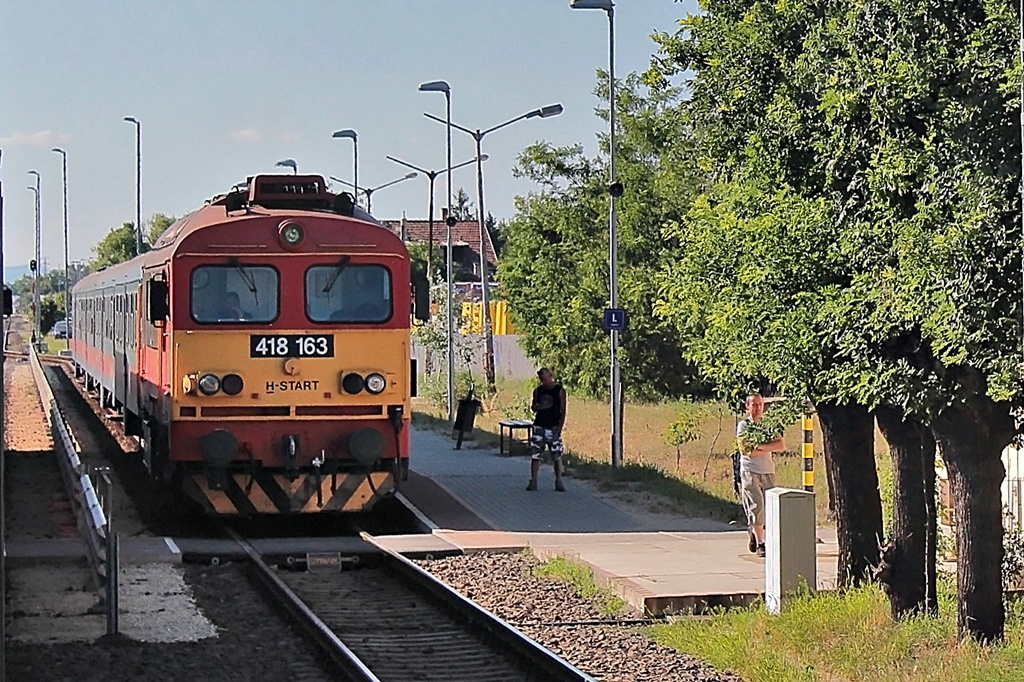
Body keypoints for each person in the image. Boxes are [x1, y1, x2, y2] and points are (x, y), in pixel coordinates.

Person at [736, 393, 784, 558]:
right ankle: (760, 542)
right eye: (754, 405)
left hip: (768, 470)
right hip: (750, 471)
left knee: (771, 506)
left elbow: (780, 445)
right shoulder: (744, 426)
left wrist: (760, 447)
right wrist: (767, 446)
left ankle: (758, 533)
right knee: (757, 506)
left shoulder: (768, 425)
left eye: (760, 404)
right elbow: (746, 450)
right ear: (747, 406)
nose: (757, 408)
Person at [526, 367, 568, 492]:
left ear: (551, 376)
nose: (545, 381)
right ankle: (533, 481)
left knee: (556, 455)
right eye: (542, 379)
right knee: (535, 455)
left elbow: (563, 410)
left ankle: (558, 480)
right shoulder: (538, 391)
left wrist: (559, 427)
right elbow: (533, 407)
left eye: (546, 378)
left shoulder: (559, 391)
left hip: (553, 426)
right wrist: (537, 407)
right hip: (539, 426)